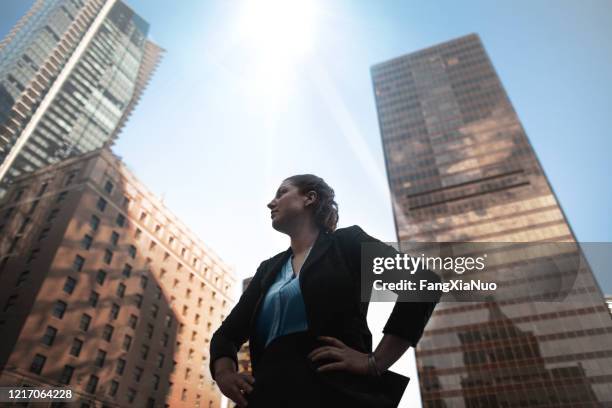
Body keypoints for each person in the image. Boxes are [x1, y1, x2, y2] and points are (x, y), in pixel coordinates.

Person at [210, 174, 440, 407]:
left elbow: (421, 283)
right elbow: (226, 335)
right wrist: (223, 373)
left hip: (333, 394)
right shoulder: (268, 269)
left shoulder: (347, 243)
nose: (271, 203)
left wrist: (376, 362)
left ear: (309, 198)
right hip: (267, 395)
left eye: (281, 193)